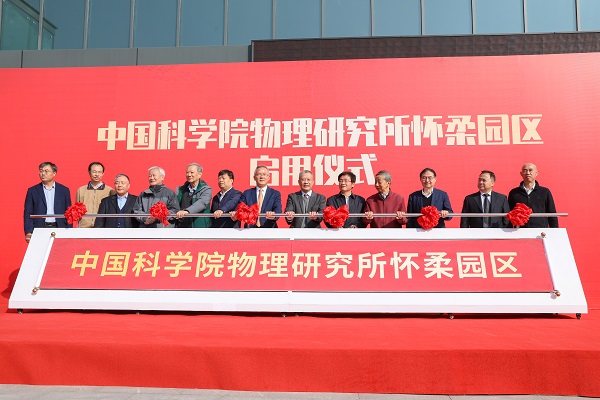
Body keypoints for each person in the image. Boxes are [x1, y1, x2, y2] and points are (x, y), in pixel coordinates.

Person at [24, 162, 72, 243]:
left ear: (54, 173)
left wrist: (69, 230)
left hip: (59, 227)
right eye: (41, 171)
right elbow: (28, 213)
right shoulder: (33, 191)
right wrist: (29, 232)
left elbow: (69, 212)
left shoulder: (64, 190)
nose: (43, 173)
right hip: (39, 228)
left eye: (46, 171)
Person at [508, 163, 558, 228]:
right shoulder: (514, 193)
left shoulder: (545, 192)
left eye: (530, 170)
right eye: (525, 170)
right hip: (520, 230)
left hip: (540, 230)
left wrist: (555, 230)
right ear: (521, 174)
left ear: (536, 173)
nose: (528, 173)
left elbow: (552, 214)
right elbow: (509, 213)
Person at [76, 162, 115, 228]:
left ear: (103, 173)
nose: (97, 174)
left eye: (99, 172)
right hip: (84, 227)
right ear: (89, 172)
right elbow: (77, 209)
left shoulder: (110, 191)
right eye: (94, 172)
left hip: (102, 227)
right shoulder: (81, 190)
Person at [175, 163, 212, 228]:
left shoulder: (206, 189)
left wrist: (187, 211)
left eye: (192, 172)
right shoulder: (181, 190)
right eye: (187, 172)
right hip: (182, 226)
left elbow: (202, 203)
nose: (189, 175)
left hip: (198, 226)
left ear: (200, 174)